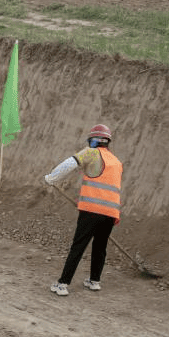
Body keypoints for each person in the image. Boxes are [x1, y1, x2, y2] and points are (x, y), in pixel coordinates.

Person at [43, 123, 121, 296]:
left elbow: (68, 165)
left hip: (91, 210)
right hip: (110, 213)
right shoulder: (116, 161)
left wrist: (51, 178)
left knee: (78, 246)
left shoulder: (91, 153)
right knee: (100, 246)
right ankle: (94, 281)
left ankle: (62, 284)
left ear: (93, 141)